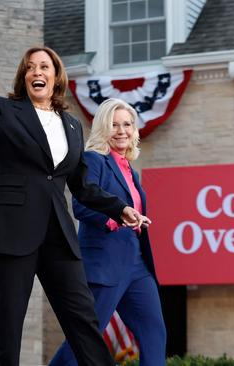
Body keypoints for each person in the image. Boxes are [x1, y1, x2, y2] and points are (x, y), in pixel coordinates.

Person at [0, 29, 151, 366]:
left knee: (82, 319)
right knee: (11, 324)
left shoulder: (72, 125)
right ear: (24, 77)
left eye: (44, 67)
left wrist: (120, 207)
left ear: (56, 77)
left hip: (58, 233)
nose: (36, 72)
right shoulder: (6, 111)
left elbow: (82, 186)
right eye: (29, 67)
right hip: (13, 230)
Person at [49, 98, 166, 366]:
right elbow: (81, 205)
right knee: (85, 338)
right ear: (103, 128)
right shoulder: (94, 160)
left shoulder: (131, 171)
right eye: (114, 125)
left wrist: (134, 220)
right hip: (105, 265)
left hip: (137, 266)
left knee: (154, 333)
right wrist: (117, 218)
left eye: (127, 124)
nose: (122, 130)